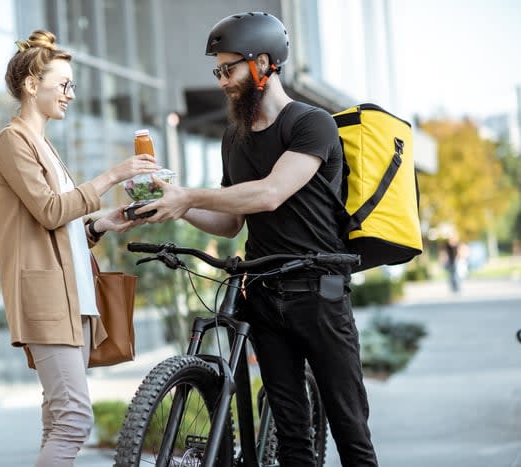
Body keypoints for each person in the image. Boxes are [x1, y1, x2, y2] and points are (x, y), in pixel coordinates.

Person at [140, 12, 378, 466]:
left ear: (263, 63)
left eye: (228, 69)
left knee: (351, 431)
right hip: (264, 296)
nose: (222, 81)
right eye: (218, 71)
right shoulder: (235, 138)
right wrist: (178, 205)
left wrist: (190, 193)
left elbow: (269, 194)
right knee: (291, 436)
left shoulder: (312, 125)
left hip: (318, 293)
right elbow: (232, 221)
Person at [0, 30, 158, 467]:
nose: (70, 94)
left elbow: (58, 231)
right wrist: (113, 175)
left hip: (74, 302)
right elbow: (48, 211)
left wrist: (101, 224)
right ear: (31, 84)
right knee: (73, 421)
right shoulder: (13, 141)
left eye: (71, 86)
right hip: (47, 304)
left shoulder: (44, 145)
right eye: (63, 84)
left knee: (58, 421)